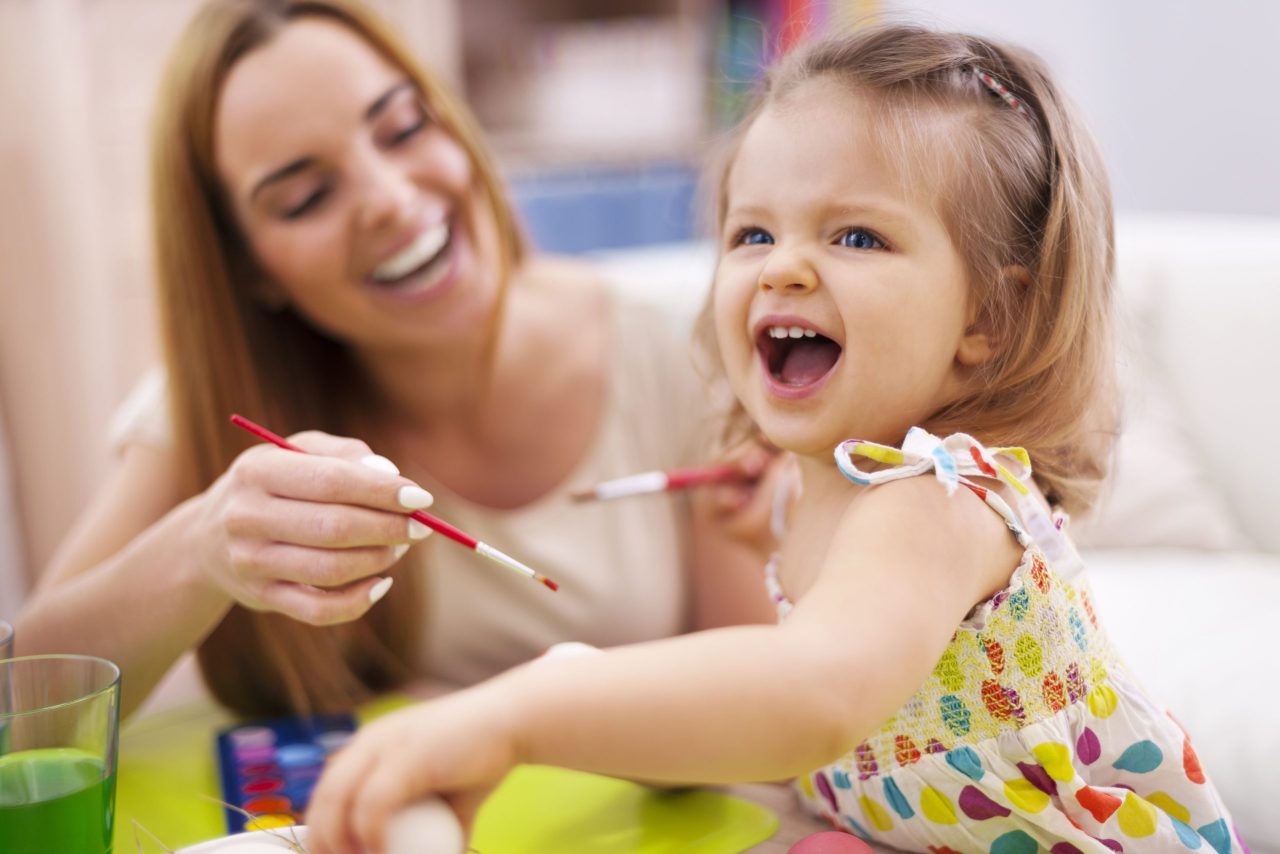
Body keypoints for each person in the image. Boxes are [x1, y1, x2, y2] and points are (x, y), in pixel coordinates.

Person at [305, 23, 1246, 854]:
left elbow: (811, 697)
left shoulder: (939, 500)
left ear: (989, 318)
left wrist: (520, 711)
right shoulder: (813, 492)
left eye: (857, 238)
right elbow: (775, 712)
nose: (783, 268)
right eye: (751, 233)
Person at [13, 0, 778, 720]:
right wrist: (200, 548)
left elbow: (759, 715)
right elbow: (22, 705)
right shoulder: (219, 401)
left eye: (404, 128)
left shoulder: (680, 353)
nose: (387, 197)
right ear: (250, 269)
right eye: (308, 196)